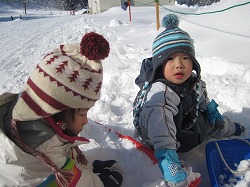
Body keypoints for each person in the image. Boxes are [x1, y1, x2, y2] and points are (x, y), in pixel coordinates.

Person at [133, 14, 245, 187]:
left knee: (210, 120)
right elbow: (160, 125)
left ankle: (225, 127)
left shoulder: (193, 82)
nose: (179, 64)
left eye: (185, 58)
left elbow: (202, 101)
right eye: (170, 59)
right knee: (167, 117)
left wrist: (212, 115)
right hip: (156, 134)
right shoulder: (160, 92)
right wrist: (167, 158)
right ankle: (168, 156)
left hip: (180, 123)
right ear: (159, 65)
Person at [0, 32, 123, 187]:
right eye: (83, 113)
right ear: (57, 111)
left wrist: (87, 167)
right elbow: (76, 182)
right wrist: (101, 183)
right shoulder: (44, 149)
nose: (86, 121)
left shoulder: (32, 114)